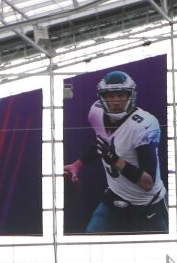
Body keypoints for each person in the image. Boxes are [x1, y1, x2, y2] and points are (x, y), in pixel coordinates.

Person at [63, 70, 167, 233]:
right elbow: (102, 142)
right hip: (115, 197)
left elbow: (148, 183)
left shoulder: (144, 125)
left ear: (130, 96)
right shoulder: (95, 113)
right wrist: (78, 164)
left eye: (121, 95)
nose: (116, 101)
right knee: (91, 242)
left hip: (148, 205)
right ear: (102, 98)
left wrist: (115, 161)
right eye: (111, 96)